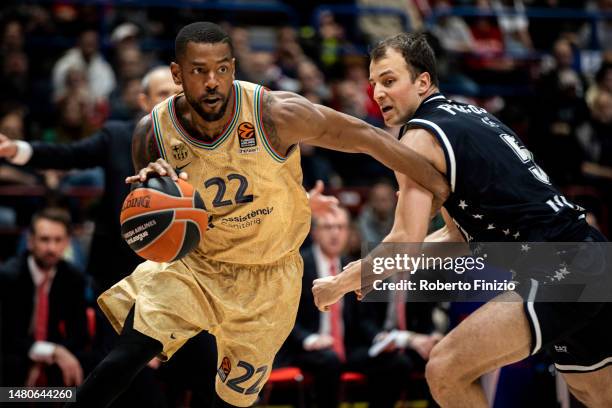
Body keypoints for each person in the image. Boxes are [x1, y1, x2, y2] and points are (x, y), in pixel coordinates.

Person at [70, 22, 449, 408]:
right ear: (177, 74)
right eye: (199, 71)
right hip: (200, 267)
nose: (213, 81)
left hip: (270, 276)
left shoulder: (275, 114)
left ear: (233, 68)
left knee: (230, 401)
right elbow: (151, 203)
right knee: (128, 354)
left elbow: (368, 138)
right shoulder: (151, 133)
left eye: (221, 69)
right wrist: (148, 189)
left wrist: (438, 184)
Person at [313, 33, 612, 407]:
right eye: (373, 84)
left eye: (389, 81)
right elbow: (458, 238)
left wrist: (342, 281)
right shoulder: (471, 115)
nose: (377, 94)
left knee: (445, 368)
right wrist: (373, 271)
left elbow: (403, 243)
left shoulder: (419, 137)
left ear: (423, 81)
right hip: (591, 255)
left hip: (554, 263)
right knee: (598, 395)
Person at [0, 208, 89, 387]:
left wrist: (56, 354)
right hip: (16, 354)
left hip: (56, 355)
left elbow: (80, 334)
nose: (51, 248)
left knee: (88, 365)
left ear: (67, 243)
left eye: (58, 240)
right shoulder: (7, 276)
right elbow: (6, 335)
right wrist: (48, 352)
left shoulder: (74, 277)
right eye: (44, 239)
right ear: (30, 241)